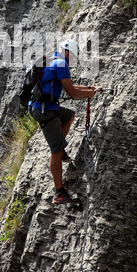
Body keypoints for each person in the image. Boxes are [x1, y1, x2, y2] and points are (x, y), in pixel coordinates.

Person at [28, 39, 102, 204]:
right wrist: (88, 94)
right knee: (56, 150)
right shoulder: (61, 64)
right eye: (74, 57)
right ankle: (59, 193)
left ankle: (61, 148)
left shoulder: (53, 60)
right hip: (45, 110)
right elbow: (73, 94)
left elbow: (70, 86)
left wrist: (90, 89)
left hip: (41, 106)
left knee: (68, 115)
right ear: (67, 52)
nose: (74, 60)